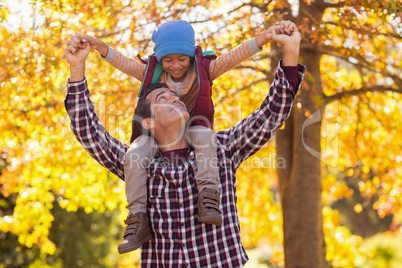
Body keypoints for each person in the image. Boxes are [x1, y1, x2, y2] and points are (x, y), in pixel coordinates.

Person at [65, 20, 304, 267]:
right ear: (147, 122)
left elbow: (271, 114)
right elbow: (88, 132)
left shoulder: (222, 149)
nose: (175, 98)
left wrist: (290, 52)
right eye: (163, 97)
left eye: (176, 96)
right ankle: (138, 220)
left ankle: (207, 199)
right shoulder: (138, 163)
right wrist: (77, 67)